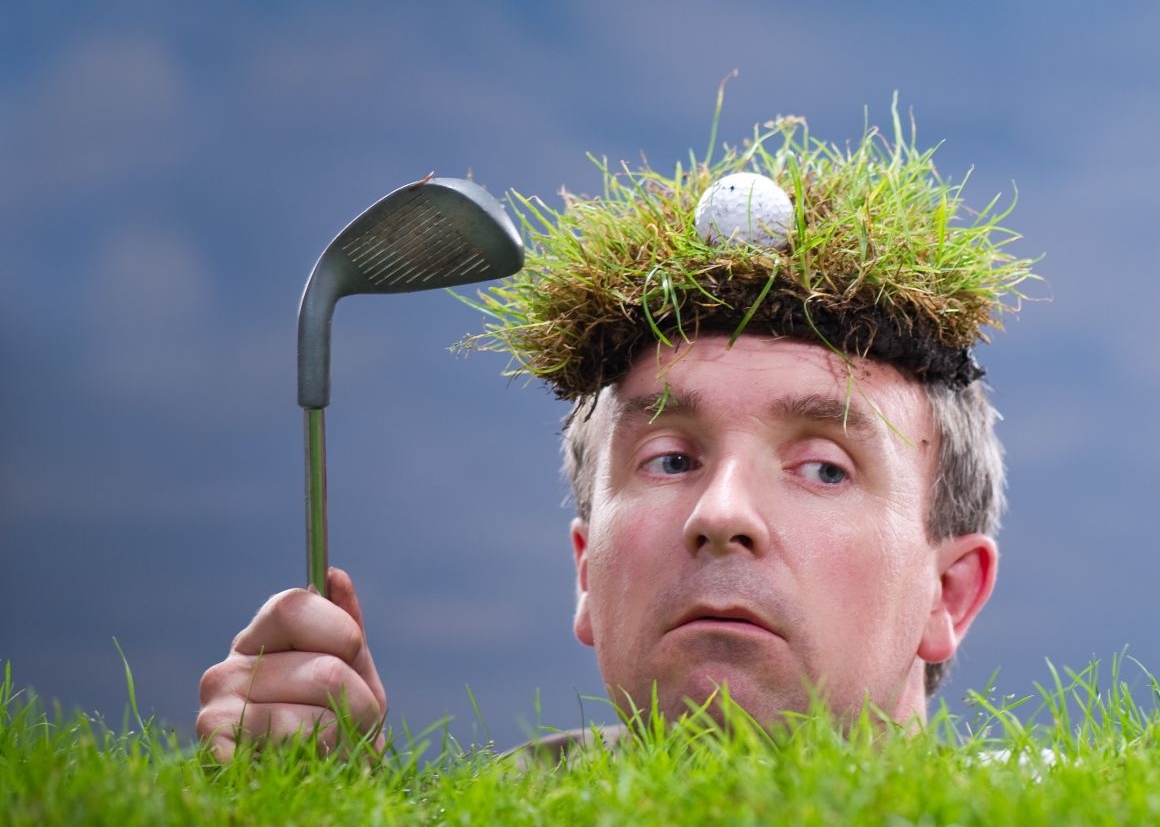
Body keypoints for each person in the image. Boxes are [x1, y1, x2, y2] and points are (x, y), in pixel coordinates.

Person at [196, 117, 1033, 760]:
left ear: (948, 595)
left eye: (823, 467)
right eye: (669, 459)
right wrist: (322, 818)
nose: (722, 511)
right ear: (586, 571)